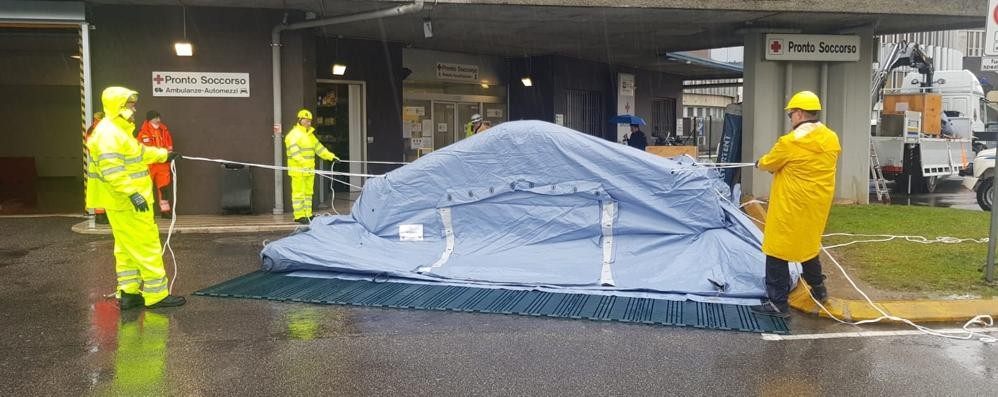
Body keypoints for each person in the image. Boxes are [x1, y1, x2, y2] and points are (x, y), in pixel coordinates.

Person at [86, 86, 185, 310]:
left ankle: (129, 293)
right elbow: (112, 171)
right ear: (118, 105)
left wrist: (164, 155)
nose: (134, 107)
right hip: (128, 201)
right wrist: (133, 194)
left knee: (126, 249)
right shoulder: (109, 134)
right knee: (146, 246)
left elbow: (139, 153)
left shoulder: (117, 131)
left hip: (122, 202)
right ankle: (156, 295)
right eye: (130, 103)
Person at [751, 91, 841, 318]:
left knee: (776, 251)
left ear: (799, 114)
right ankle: (819, 290)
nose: (791, 117)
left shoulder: (790, 142)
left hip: (790, 205)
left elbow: (768, 163)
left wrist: (759, 163)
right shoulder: (831, 138)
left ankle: (777, 303)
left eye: (791, 114)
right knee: (808, 247)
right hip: (816, 205)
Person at [285, 109, 338, 224]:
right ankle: (299, 216)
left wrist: (331, 157)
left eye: (310, 121)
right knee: (299, 193)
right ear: (300, 120)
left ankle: (308, 214)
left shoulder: (310, 136)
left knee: (308, 193)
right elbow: (295, 154)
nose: (309, 123)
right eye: (306, 120)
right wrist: (304, 164)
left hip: (309, 170)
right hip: (298, 171)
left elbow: (319, 149)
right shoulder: (293, 135)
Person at [136, 110, 175, 219]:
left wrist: (169, 156)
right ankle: (147, 212)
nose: (158, 120)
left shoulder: (164, 130)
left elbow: (169, 145)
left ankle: (165, 210)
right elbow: (145, 150)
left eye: (159, 117)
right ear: (150, 119)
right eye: (156, 118)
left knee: (164, 188)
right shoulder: (143, 132)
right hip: (149, 164)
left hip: (163, 164)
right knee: (146, 188)